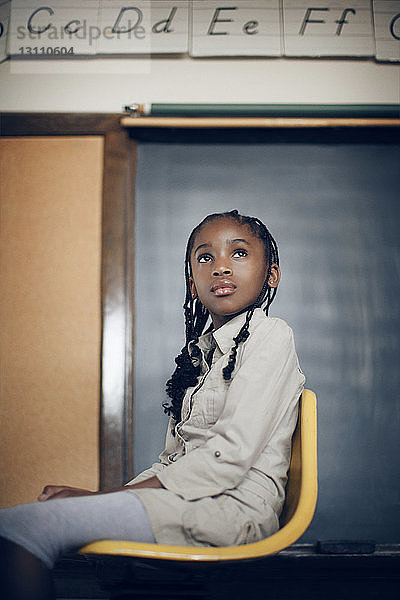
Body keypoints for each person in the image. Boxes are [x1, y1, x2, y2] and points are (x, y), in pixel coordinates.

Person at [0, 209, 305, 599]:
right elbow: (171, 462)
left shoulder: (272, 336)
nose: (221, 268)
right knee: (21, 521)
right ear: (192, 283)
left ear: (271, 275)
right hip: (190, 501)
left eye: (239, 254)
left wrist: (100, 500)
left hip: (231, 512)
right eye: (205, 257)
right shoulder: (200, 359)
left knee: (23, 528)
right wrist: (112, 496)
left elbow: (227, 457)